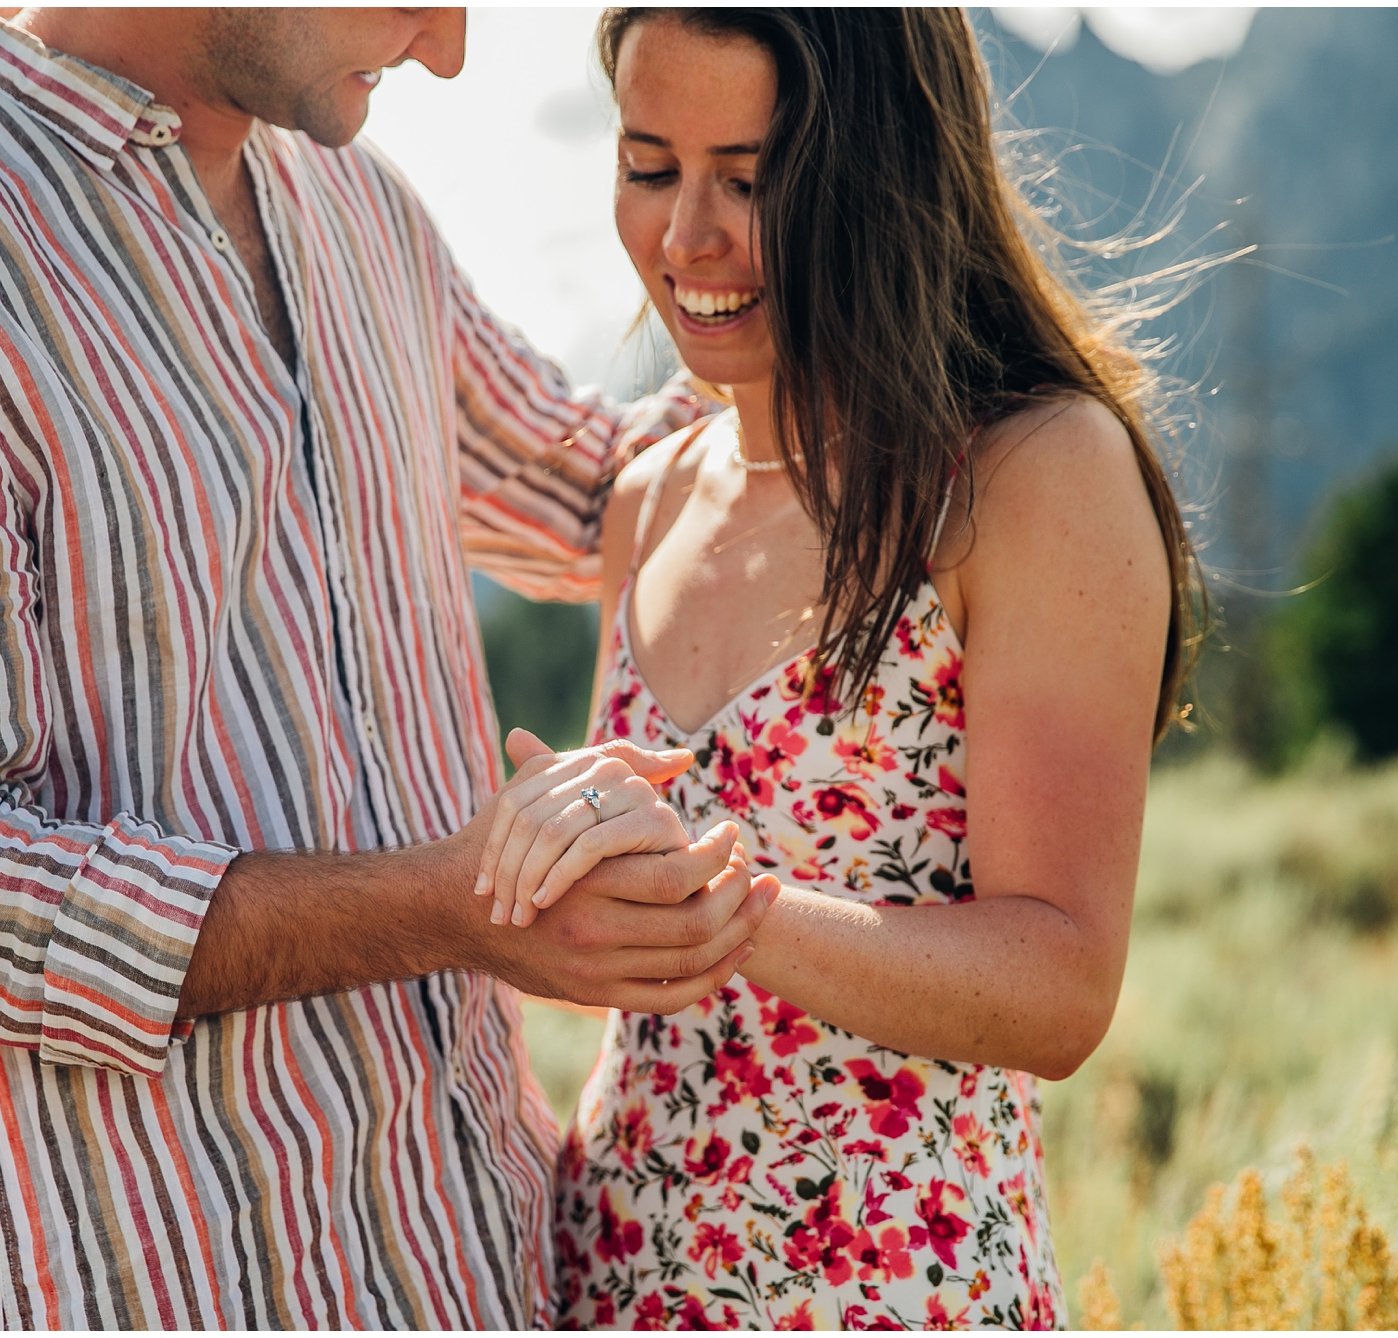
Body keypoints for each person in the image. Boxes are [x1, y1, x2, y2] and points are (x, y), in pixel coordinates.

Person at [0, 7, 781, 1328]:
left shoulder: (356, 208)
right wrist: (455, 905)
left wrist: (955, 376)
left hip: (483, 1265)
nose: (446, 49)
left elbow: (604, 487)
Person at [478, 8, 1206, 1329]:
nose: (688, 236)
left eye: (751, 180)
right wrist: (561, 873)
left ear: (882, 172)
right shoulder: (647, 496)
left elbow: (1061, 985)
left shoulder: (1033, 475)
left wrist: (712, 887)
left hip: (892, 1290)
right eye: (650, 167)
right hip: (614, 1278)